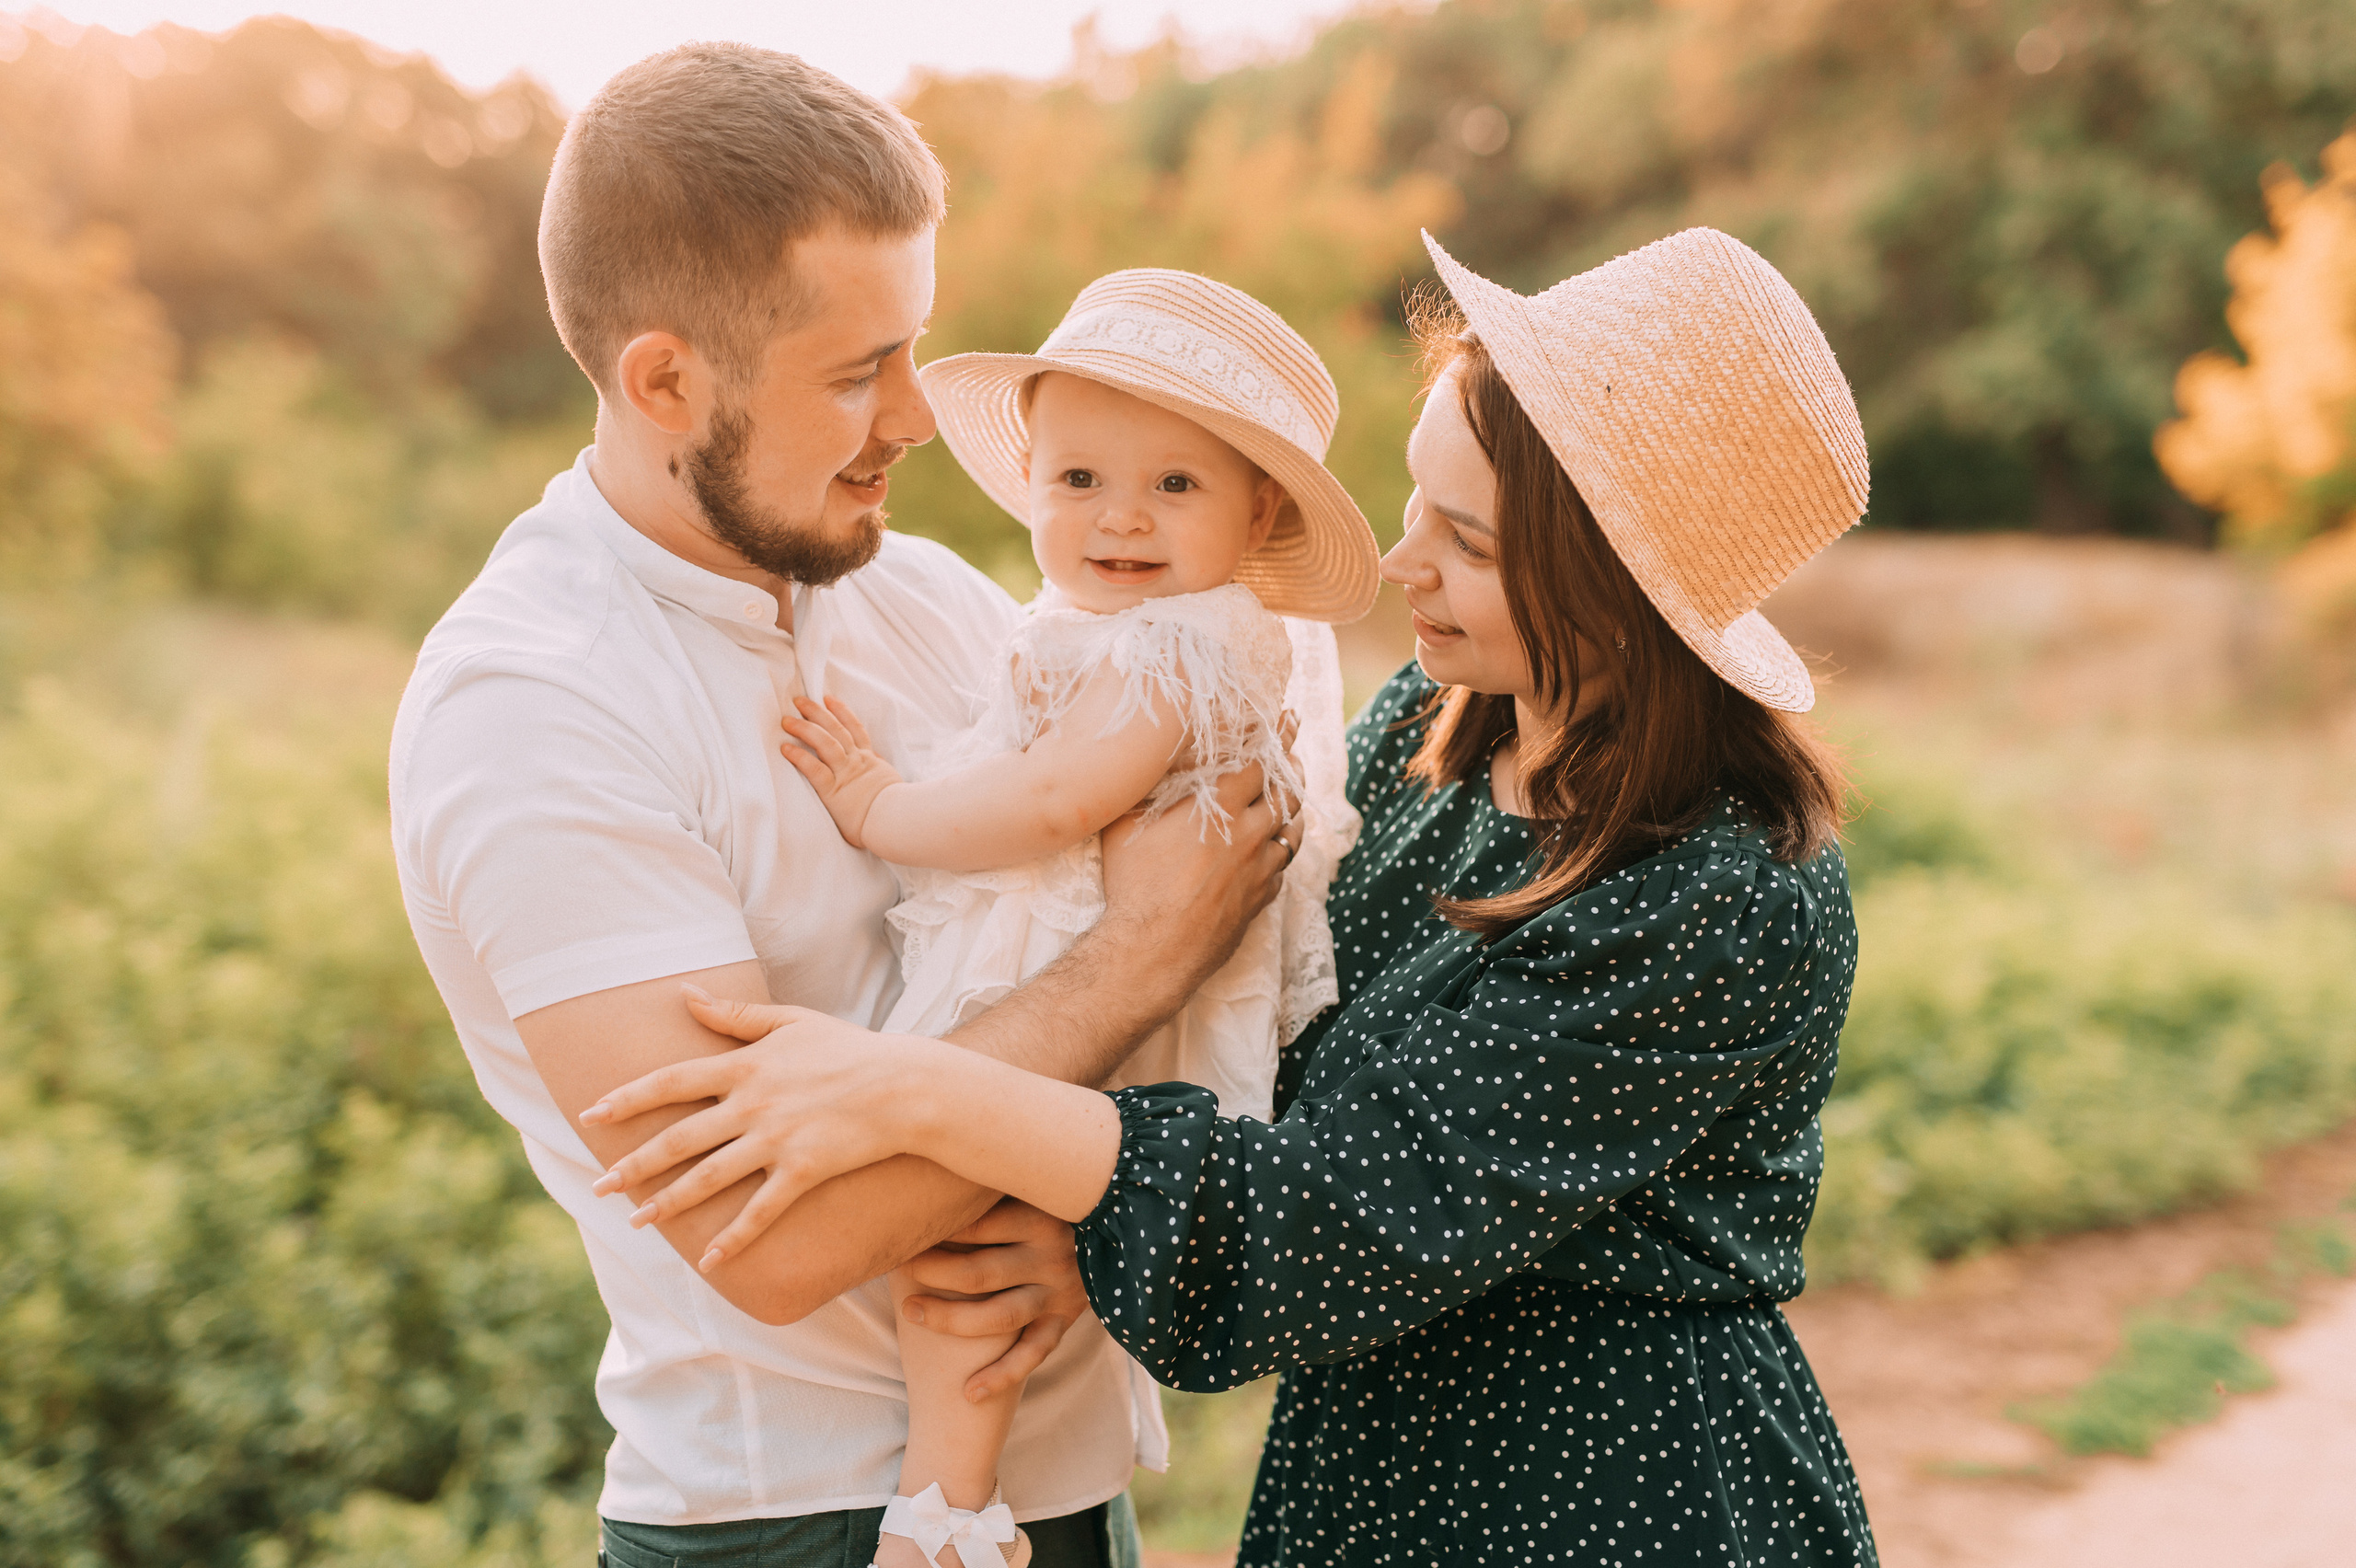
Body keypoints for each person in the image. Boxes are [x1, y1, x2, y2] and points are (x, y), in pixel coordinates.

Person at [586, 226, 1884, 1566]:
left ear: (1619, 593)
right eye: (1416, 502)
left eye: (1468, 542)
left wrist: (911, 1089)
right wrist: (1090, 1213)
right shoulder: (1441, 728)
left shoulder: (1720, 895)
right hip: (1370, 1463)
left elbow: (1344, 1212)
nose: (1401, 564)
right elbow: (1294, 1039)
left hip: (1602, 1491)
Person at [388, 45, 1304, 1568]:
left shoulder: (931, 597)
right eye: (855, 371)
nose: (917, 416)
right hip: (796, 1518)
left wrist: (1097, 1209)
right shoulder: (534, 705)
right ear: (666, 381)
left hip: (1073, 1490)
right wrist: (1144, 955)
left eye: (915, 347)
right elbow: (780, 1236)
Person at [719, 268, 1378, 1566]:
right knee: (982, 1234)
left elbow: (1055, 797)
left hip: (1068, 951)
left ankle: (944, 1508)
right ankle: (952, 1503)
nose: (1120, 516)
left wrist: (880, 805)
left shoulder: (1176, 648)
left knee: (963, 1219)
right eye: (1078, 479)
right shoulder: (1100, 627)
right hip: (1082, 945)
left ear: (1258, 513)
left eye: (1174, 484)